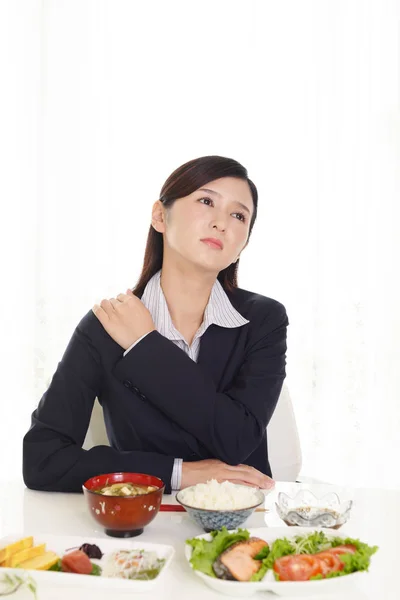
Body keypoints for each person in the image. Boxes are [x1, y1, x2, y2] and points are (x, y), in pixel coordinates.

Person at [23, 155, 288, 494]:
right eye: (206, 201)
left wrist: (146, 346)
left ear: (243, 245)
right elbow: (42, 460)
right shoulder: (107, 323)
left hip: (243, 522)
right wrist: (178, 473)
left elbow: (236, 440)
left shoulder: (264, 319)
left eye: (238, 215)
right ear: (160, 216)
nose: (222, 223)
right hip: (141, 524)